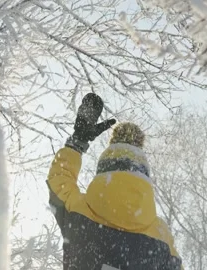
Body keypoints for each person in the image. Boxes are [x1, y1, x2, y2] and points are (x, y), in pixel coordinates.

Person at [46, 93, 183, 269]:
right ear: (142, 169)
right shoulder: (161, 236)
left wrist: (78, 141)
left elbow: (59, 179)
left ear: (104, 165)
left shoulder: (78, 209)